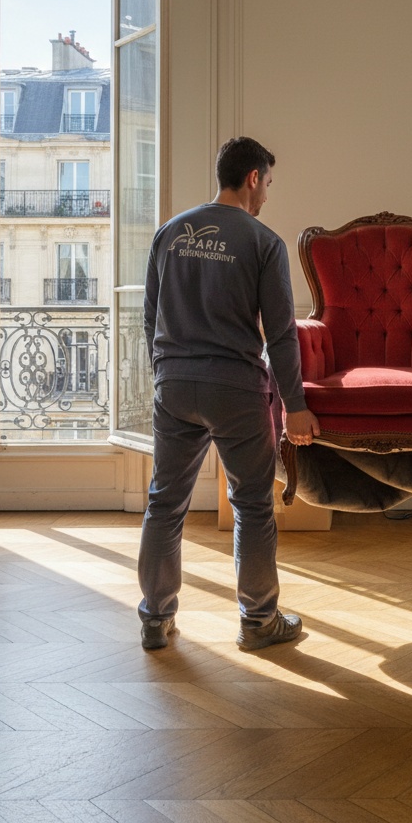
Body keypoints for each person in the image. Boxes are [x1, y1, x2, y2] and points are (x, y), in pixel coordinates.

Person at [139, 136, 320, 652]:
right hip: (236, 389)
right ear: (253, 178)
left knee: (164, 503)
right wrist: (297, 407)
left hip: (174, 384)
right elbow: (282, 334)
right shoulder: (262, 242)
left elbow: (150, 317)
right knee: (253, 505)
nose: (266, 196)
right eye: (267, 184)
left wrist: (166, 370)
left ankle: (155, 617)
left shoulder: (169, 234)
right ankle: (259, 622)